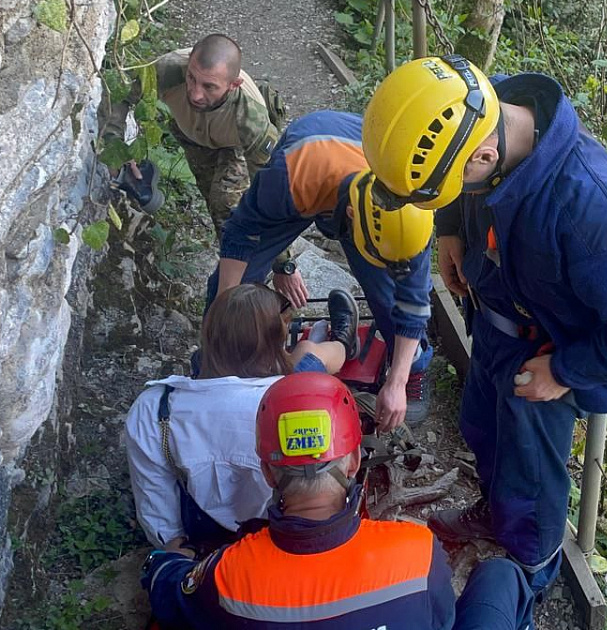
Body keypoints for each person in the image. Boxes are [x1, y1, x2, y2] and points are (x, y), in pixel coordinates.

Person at [361, 56, 607, 593]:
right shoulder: (477, 112)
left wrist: (564, 370)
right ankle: (492, 515)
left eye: (449, 193)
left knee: (530, 473)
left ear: (485, 158)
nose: (450, 201)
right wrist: (450, 226)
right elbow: (453, 174)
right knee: (481, 428)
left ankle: (525, 571)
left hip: (548, 353)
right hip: (495, 321)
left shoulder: (596, 210)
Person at [140, 372, 536, 629]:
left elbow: (168, 591)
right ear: (354, 461)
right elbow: (441, 620)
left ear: (266, 472)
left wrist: (165, 560)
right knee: (502, 576)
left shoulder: (229, 576)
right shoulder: (417, 554)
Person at [209, 111, 437, 428]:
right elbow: (242, 232)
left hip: (354, 191)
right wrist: (225, 309)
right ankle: (221, 363)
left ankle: (413, 368)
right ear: (346, 216)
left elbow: (413, 301)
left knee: (387, 297)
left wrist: (396, 383)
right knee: (230, 288)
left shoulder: (413, 217)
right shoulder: (290, 177)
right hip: (311, 173)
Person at [125, 284, 359, 552]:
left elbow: (160, 519)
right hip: (286, 538)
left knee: (304, 358)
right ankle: (342, 342)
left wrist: (183, 559)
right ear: (275, 341)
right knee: (309, 356)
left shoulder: (153, 409)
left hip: (206, 545)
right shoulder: (289, 401)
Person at [101, 33, 284, 240]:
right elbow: (118, 96)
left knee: (227, 205)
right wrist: (115, 147)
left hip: (235, 144)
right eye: (191, 78)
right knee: (212, 200)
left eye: (209, 87)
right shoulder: (167, 70)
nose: (195, 94)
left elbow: (270, 191)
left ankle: (240, 262)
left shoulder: (252, 121)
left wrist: (284, 264)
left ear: (233, 85)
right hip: (191, 134)